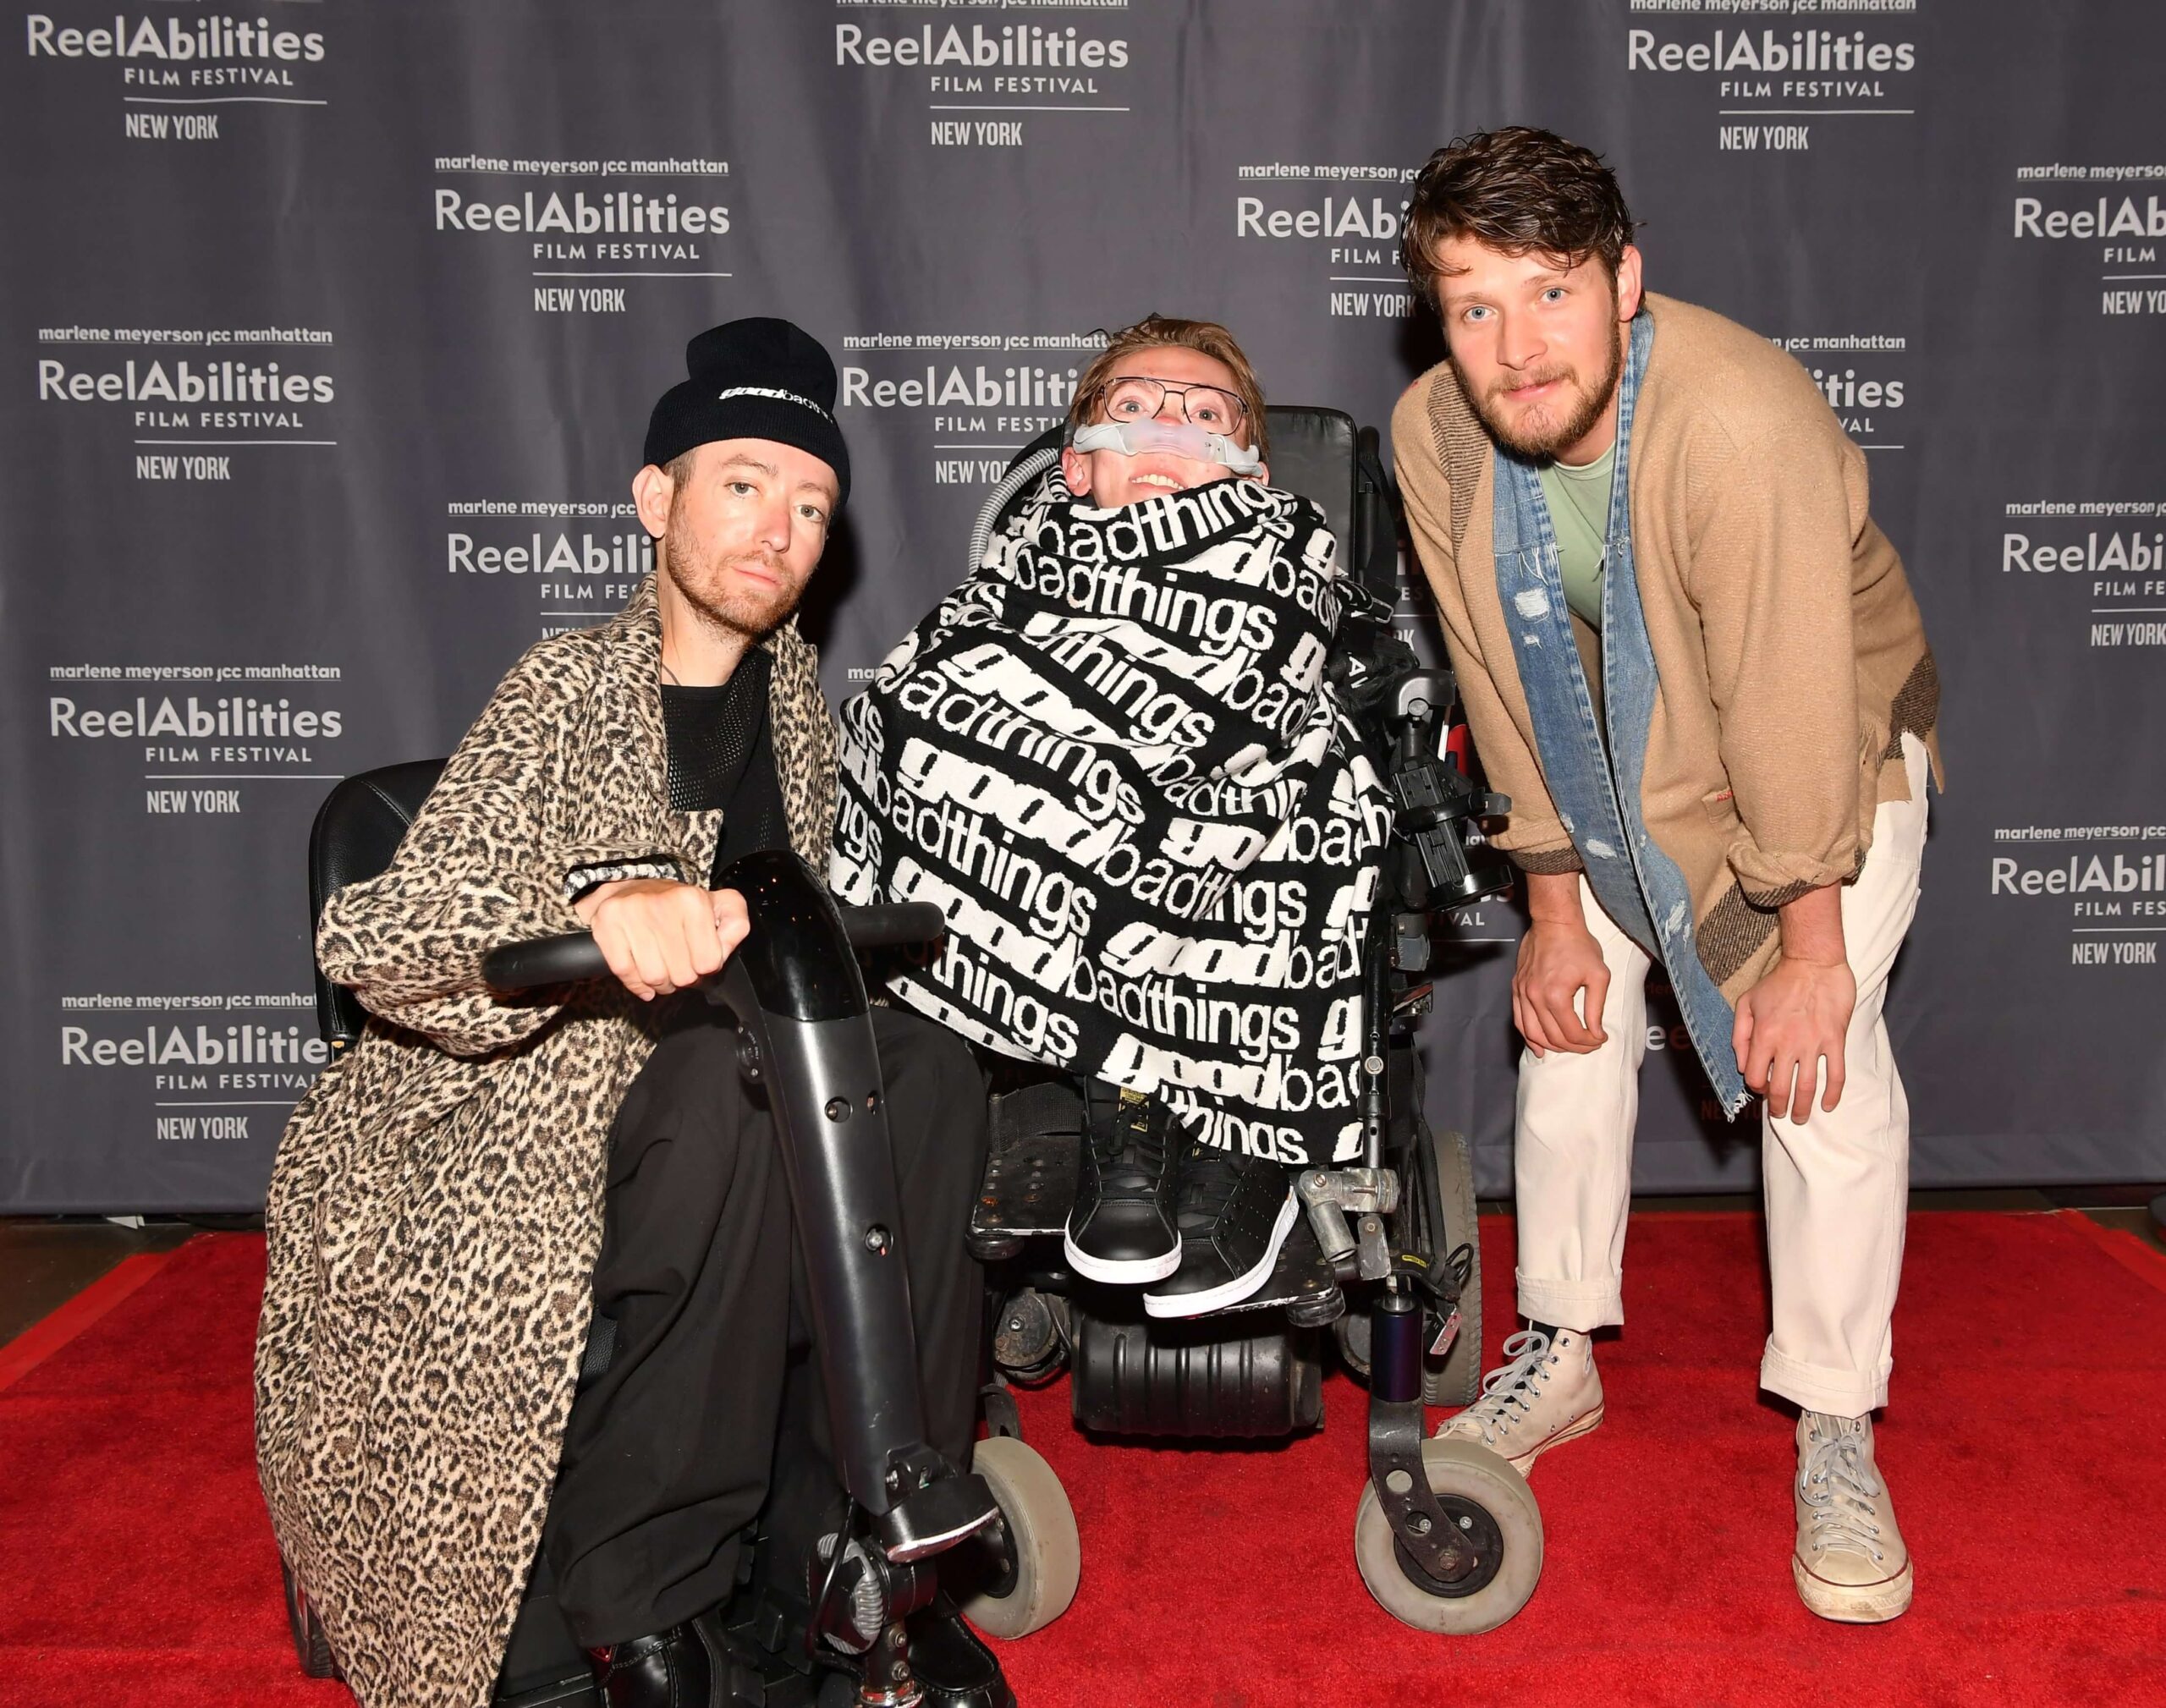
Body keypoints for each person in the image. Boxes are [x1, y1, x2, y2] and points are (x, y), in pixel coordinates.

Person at [255, 319, 1009, 1708]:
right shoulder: (561, 690)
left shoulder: (797, 707)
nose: (776, 526)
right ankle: (638, 1597)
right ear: (655, 497)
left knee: (928, 1068)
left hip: (706, 1081)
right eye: (740, 482)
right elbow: (373, 933)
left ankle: (862, 1544)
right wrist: (596, 920)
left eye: (810, 503)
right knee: (732, 1096)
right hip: (521, 1098)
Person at [1392, 128, 1943, 1624]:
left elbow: (1784, 705)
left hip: (1822, 745)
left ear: (1627, 282)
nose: (1516, 347)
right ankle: (1559, 1342)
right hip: (1607, 743)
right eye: (1474, 305)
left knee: (1821, 1065)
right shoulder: (1434, 432)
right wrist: (1556, 910)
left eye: (1551, 291)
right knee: (1569, 1013)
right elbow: (1497, 679)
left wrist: (1808, 952)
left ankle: (1835, 1416)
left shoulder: (1738, 420)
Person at [832, 316, 1393, 1319]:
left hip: (1255, 829)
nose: (1165, 434)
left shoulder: (1291, 577)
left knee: (1306, 780)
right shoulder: (994, 600)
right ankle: (1125, 1085)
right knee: (913, 718)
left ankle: (1243, 1127)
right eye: (1130, 410)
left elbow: (1263, 712)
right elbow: (905, 722)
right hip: (1049, 846)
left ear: (1251, 474)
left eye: (1202, 415)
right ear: (1077, 468)